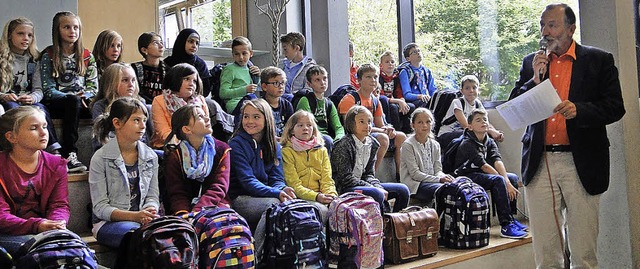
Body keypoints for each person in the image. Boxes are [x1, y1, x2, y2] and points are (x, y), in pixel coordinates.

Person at [509, 4, 625, 268]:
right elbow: (515, 105)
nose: (545, 31)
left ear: (571, 29)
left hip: (580, 160)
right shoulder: (531, 62)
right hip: (540, 162)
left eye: (552, 25)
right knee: (547, 252)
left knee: (583, 251)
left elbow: (616, 107)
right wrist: (534, 81)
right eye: (543, 25)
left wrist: (579, 110)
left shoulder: (599, 60)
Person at [227, 98, 296, 258]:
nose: (249, 121)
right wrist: (276, 193)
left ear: (267, 119)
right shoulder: (236, 144)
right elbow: (248, 182)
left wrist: (282, 189)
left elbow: (277, 178)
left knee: (292, 205)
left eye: (256, 117)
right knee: (273, 206)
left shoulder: (274, 144)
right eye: (246, 116)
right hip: (240, 198)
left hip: (264, 194)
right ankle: (255, 256)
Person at [89, 97, 160, 248]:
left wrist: (150, 210)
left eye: (144, 120)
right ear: (117, 123)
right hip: (107, 224)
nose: (142, 126)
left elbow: (152, 196)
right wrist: (135, 216)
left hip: (141, 220)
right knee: (139, 237)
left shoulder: (150, 156)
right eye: (136, 120)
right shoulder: (100, 158)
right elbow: (100, 208)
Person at [0, 106, 70, 255]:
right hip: (7, 234)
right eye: (34, 128)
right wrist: (38, 225)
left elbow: (59, 205)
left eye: (44, 126)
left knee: (74, 248)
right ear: (11, 137)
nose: (43, 132)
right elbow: (1, 216)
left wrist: (57, 223)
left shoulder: (57, 165)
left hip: (43, 231)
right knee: (44, 250)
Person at [453, 109, 528, 239]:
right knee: (498, 180)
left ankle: (511, 218)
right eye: (478, 120)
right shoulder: (467, 143)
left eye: (485, 120)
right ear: (470, 126)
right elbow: (485, 166)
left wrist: (508, 181)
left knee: (512, 177)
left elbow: (497, 161)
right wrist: (504, 181)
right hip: (467, 176)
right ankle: (505, 225)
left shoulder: (489, 141)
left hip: (481, 173)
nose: (483, 122)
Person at [40, 11, 97, 173]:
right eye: (67, 27)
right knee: (72, 102)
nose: (72, 31)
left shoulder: (87, 56)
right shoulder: (48, 55)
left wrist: (85, 95)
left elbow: (94, 87)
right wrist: (70, 96)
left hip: (83, 102)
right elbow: (48, 89)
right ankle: (70, 152)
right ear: (57, 30)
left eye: (76, 27)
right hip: (59, 103)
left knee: (102, 104)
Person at [331, 105, 409, 213]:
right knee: (376, 193)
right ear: (351, 124)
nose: (367, 125)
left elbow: (369, 174)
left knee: (403, 190)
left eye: (369, 122)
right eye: (361, 122)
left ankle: (395, 224)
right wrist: (374, 188)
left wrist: (376, 185)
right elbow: (345, 179)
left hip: (363, 183)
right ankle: (378, 227)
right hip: (345, 187)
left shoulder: (373, 143)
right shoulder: (343, 145)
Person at [0, 17, 61, 154]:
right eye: (20, 34)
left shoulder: (35, 59)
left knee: (40, 109)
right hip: (8, 101)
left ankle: (53, 148)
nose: (26, 38)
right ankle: (13, 149)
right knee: (13, 109)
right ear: (9, 36)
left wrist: (33, 98)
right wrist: (4, 96)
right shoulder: (2, 58)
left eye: (30, 35)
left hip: (27, 101)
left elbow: (38, 89)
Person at [338, 63, 406, 180]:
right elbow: (350, 125)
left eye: (375, 77)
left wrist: (388, 129)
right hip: (356, 134)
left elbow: (380, 124)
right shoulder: (350, 99)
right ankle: (369, 175)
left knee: (400, 136)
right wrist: (382, 131)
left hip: (372, 131)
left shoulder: (375, 100)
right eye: (368, 77)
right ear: (359, 80)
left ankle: (399, 176)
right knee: (383, 139)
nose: (373, 80)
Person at [163, 104, 231, 215]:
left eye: (205, 115)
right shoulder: (175, 156)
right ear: (186, 129)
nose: (207, 118)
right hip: (185, 210)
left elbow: (219, 187)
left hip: (215, 206)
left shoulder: (222, 149)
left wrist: (198, 210)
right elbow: (177, 193)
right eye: (200, 117)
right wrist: (185, 215)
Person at [281, 110, 338, 222]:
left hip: (321, 195)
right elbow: (294, 185)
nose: (305, 128)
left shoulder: (322, 150)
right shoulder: (287, 152)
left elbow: (327, 180)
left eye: (309, 125)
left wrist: (331, 196)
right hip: (300, 197)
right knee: (322, 210)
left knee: (340, 208)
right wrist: (316, 197)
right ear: (292, 130)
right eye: (300, 125)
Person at [400, 108, 454, 204]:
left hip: (432, 181)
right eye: (420, 122)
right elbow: (415, 174)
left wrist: (444, 177)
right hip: (415, 185)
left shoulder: (435, 145)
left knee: (455, 187)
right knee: (444, 191)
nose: (424, 125)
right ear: (413, 125)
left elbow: (437, 170)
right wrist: (439, 179)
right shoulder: (408, 145)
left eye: (428, 122)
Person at [91, 63, 151, 150]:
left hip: (140, 150)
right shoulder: (100, 106)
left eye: (133, 80)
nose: (131, 85)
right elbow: (99, 139)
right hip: (110, 152)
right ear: (111, 84)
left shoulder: (140, 103)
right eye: (125, 80)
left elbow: (145, 137)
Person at [151, 63, 209, 149]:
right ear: (175, 79)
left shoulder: (200, 100)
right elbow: (164, 133)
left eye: (194, 81)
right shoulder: (159, 101)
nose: (191, 84)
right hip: (168, 146)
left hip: (198, 145)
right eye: (186, 79)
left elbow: (207, 128)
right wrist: (188, 145)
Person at [437, 75, 504, 147]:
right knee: (472, 137)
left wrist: (495, 132)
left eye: (474, 88)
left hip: (466, 132)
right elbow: (466, 126)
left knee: (490, 139)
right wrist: (489, 131)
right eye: (467, 88)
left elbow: (485, 121)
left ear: (478, 90)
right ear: (462, 91)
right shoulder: (457, 102)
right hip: (448, 133)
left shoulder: (478, 104)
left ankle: (492, 158)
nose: (471, 91)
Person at [296, 65, 344, 152]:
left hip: (327, 137)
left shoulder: (329, 103)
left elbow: (338, 126)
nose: (322, 83)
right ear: (309, 84)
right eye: (317, 80)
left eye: (325, 78)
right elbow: (307, 125)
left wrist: (339, 138)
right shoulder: (305, 101)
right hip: (310, 135)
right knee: (328, 141)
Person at [164, 28, 211, 98]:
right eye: (191, 41)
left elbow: (206, 89)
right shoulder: (169, 62)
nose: (194, 46)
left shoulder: (200, 64)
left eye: (197, 43)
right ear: (182, 42)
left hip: (195, 100)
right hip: (171, 99)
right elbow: (165, 85)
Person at [219, 36, 261, 112]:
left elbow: (257, 87)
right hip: (235, 105)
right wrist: (245, 90)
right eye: (237, 54)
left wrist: (257, 76)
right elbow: (223, 93)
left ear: (251, 53)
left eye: (244, 53)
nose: (241, 57)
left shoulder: (250, 67)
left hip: (249, 101)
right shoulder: (229, 69)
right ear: (233, 55)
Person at [378, 51, 413, 134]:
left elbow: (399, 91)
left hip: (396, 100)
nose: (390, 64)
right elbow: (381, 95)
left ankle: (408, 131)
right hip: (385, 102)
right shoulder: (379, 77)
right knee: (393, 108)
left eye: (392, 62)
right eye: (387, 62)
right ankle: (397, 132)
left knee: (410, 106)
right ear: (381, 66)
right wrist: (399, 101)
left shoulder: (396, 77)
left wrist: (402, 101)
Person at [131, 32, 167, 104]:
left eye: (161, 42)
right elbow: (136, 92)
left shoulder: (167, 69)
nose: (161, 46)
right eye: (155, 43)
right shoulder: (135, 69)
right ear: (144, 50)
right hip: (142, 105)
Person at [397, 43, 437, 108]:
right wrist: (419, 96)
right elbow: (407, 94)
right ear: (408, 59)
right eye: (414, 52)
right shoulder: (405, 72)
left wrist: (434, 99)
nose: (418, 53)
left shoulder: (427, 71)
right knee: (424, 103)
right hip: (414, 101)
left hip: (426, 99)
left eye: (419, 51)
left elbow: (432, 90)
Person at [279, 32, 316, 101]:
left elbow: (308, 91)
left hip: (296, 101)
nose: (284, 53)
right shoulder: (281, 64)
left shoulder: (310, 68)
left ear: (296, 48)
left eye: (285, 49)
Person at [260, 66, 293, 139]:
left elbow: (291, 127)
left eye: (283, 83)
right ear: (264, 87)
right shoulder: (260, 106)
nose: (281, 86)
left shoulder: (287, 105)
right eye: (276, 83)